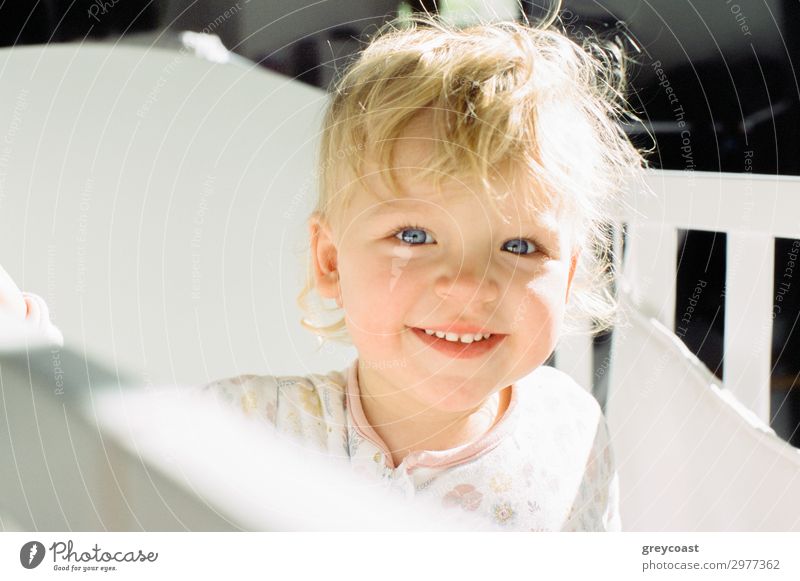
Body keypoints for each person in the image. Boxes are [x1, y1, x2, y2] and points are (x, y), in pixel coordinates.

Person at [2, 13, 645, 531]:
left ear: (568, 277)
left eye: (521, 247)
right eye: (414, 236)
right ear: (331, 262)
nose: (469, 285)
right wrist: (30, 354)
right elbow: (118, 462)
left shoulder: (574, 431)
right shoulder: (252, 425)